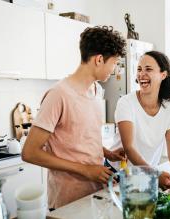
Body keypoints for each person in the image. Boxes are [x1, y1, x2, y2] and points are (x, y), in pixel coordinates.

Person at [22, 26, 127, 209]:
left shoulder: (96, 91)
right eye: (114, 62)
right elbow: (29, 152)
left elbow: (77, 137)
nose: (114, 68)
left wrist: (106, 152)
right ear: (99, 59)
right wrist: (85, 170)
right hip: (67, 200)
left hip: (96, 193)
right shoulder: (59, 94)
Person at [114, 50, 170, 188]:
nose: (142, 74)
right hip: (119, 175)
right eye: (139, 69)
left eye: (148, 69)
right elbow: (129, 148)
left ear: (163, 75)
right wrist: (155, 174)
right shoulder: (126, 103)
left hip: (147, 176)